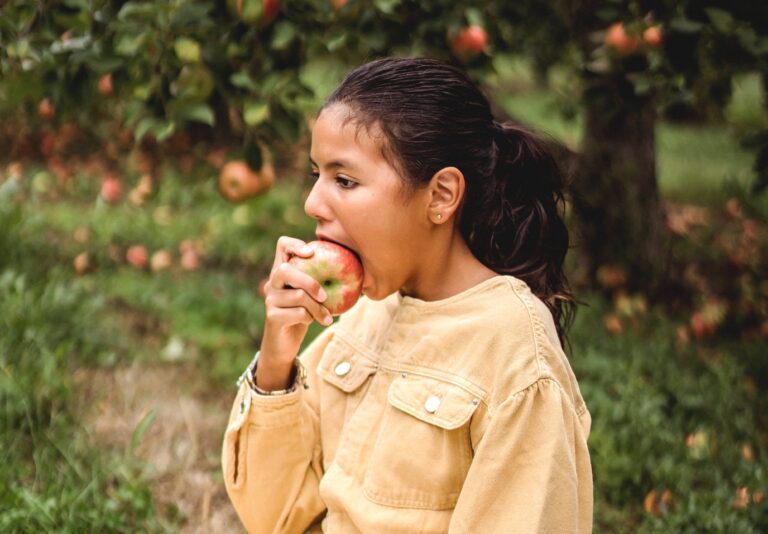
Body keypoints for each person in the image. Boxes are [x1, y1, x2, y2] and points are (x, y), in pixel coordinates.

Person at [222, 56, 593, 533]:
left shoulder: (515, 353)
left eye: (345, 180)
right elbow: (275, 516)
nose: (312, 202)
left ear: (440, 196)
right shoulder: (366, 314)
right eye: (316, 174)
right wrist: (277, 358)